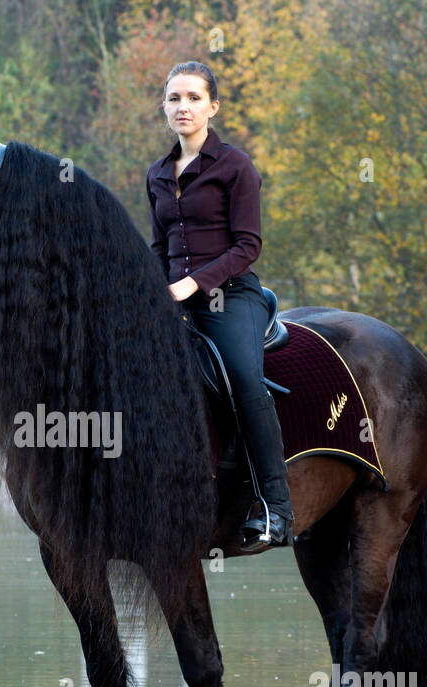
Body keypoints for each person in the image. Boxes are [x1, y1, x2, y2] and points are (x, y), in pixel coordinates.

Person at [146, 61, 294, 551]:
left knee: (245, 380)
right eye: (173, 99)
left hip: (230, 295)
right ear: (164, 107)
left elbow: (247, 246)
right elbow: (159, 247)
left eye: (192, 98)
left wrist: (191, 285)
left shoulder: (236, 167)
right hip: (173, 301)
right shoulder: (157, 175)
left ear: (213, 106)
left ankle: (275, 508)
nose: (182, 107)